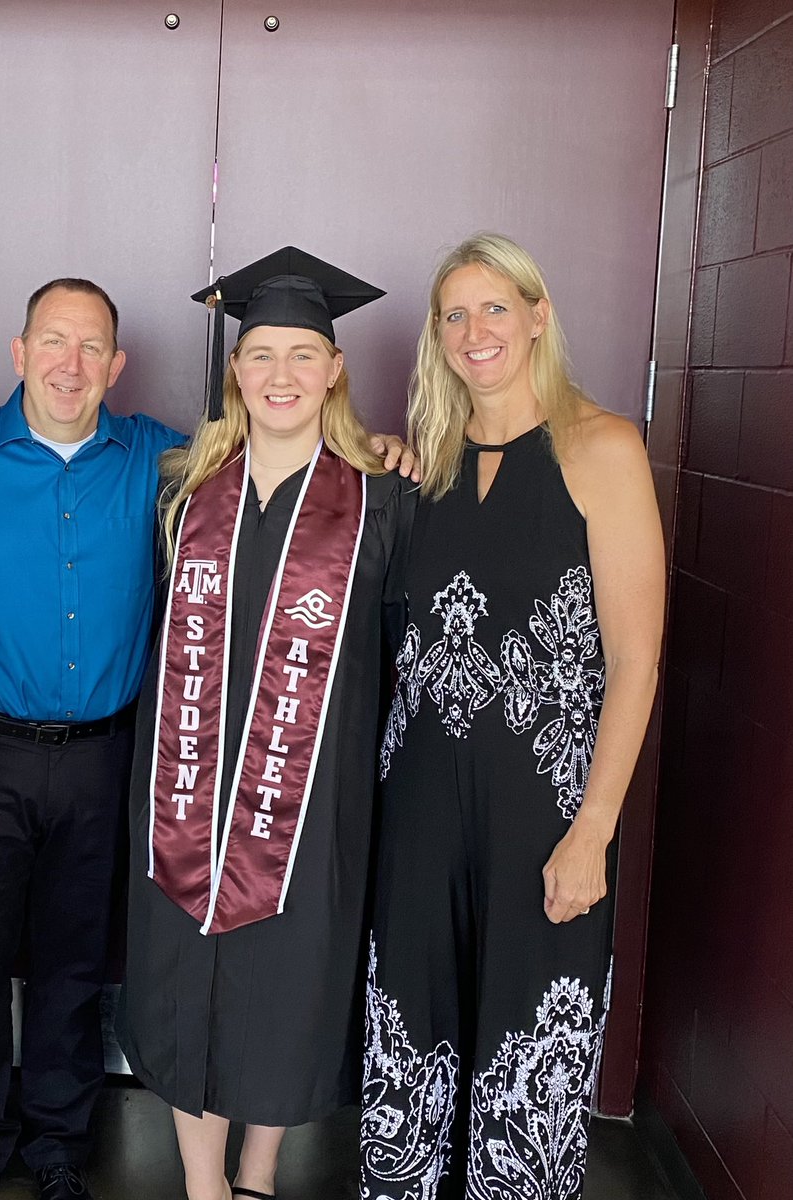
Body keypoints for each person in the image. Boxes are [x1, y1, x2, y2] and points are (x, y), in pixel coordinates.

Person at [0, 279, 415, 1200]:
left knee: (75, 964)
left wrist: (371, 447)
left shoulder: (163, 462)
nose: (71, 364)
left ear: (116, 366)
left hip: (109, 757)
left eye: (92, 348)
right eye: (54, 342)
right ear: (19, 352)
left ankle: (58, 1148)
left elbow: (272, 455)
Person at [360, 233, 664, 1199]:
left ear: (537, 316)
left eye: (495, 307)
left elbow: (635, 658)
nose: (474, 330)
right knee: (411, 1040)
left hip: (546, 807)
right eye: (454, 313)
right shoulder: (426, 466)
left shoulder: (600, 446)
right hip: (415, 809)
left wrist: (595, 830)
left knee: (530, 1053)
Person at [117, 248, 414, 1200]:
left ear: (332, 370)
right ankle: (203, 1187)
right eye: (259, 356)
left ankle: (257, 1176)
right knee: (184, 984)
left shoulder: (386, 501)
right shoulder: (179, 494)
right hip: (180, 793)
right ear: (234, 374)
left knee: (287, 987)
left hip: (312, 806)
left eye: (300, 356)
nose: (278, 376)